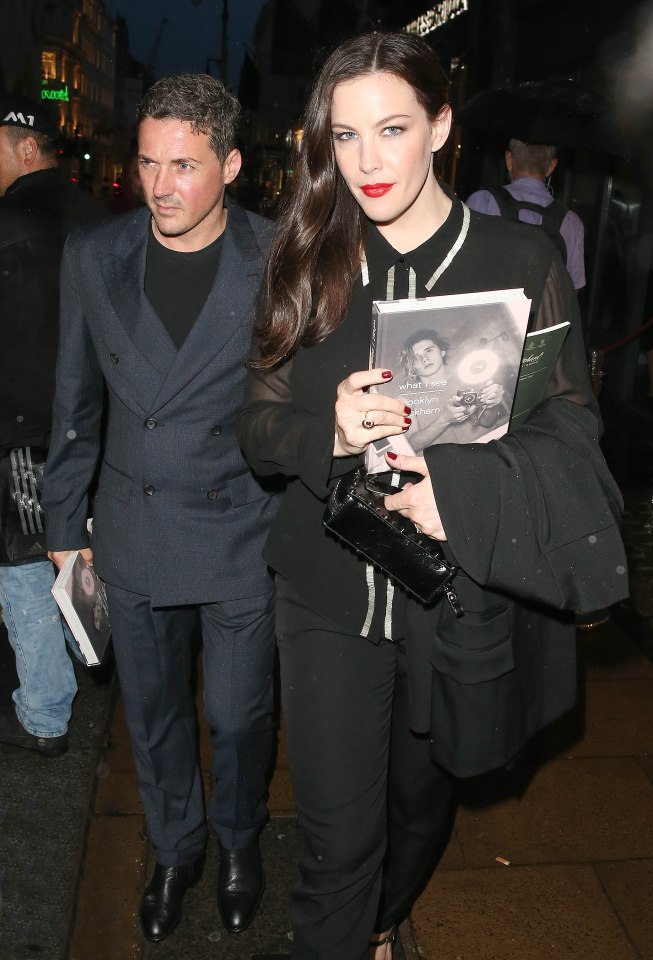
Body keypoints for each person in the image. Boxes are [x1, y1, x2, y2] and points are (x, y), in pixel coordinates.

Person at [237, 32, 628, 960]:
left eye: (392, 128)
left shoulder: (522, 259)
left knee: (419, 810)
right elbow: (255, 428)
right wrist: (326, 431)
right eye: (344, 136)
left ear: (441, 125)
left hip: (456, 593)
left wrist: (457, 488)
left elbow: (571, 425)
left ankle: (384, 918)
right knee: (336, 844)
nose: (367, 161)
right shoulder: (304, 256)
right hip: (326, 592)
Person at [43, 74, 279, 943]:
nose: (161, 185)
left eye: (184, 165)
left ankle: (240, 841)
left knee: (240, 713)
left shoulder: (274, 254)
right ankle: (176, 848)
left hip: (240, 530)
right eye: (148, 163)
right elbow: (75, 401)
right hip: (131, 529)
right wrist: (65, 532)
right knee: (153, 715)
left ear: (230, 165)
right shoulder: (94, 257)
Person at [0, 93, 105, 758]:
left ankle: (44, 715)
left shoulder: (7, 222)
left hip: (24, 425)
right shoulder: (101, 217)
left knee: (21, 566)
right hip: (92, 424)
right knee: (75, 546)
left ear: (26, 148)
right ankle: (91, 646)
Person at [466, 138, 586, 291]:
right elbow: (571, 293)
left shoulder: (483, 201)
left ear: (509, 159)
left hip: (492, 314)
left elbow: (465, 269)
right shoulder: (571, 222)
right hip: (544, 314)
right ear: (551, 166)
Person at [397, 329, 507, 451]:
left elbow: (487, 422)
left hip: (487, 451)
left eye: (429, 350)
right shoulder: (405, 400)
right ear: (410, 364)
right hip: (449, 464)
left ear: (442, 351)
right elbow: (412, 445)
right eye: (416, 357)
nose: (424, 358)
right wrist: (445, 419)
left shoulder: (470, 378)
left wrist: (493, 404)